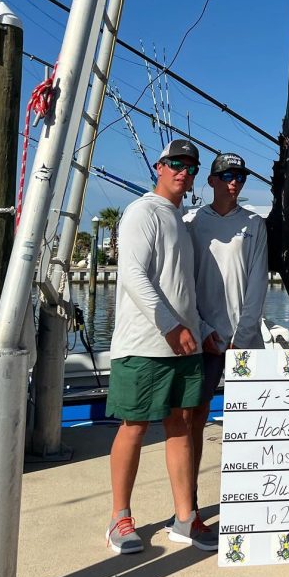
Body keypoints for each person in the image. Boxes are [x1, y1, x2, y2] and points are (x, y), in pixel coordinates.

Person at [104, 140, 219, 554]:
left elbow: (181, 289)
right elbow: (134, 276)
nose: (182, 172)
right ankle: (119, 518)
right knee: (133, 427)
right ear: (159, 166)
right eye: (175, 163)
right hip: (144, 345)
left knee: (181, 426)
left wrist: (199, 327)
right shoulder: (142, 212)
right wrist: (171, 327)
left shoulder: (180, 221)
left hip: (183, 346)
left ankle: (185, 517)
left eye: (190, 166)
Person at [184, 152, 268, 510]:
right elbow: (183, 284)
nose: (234, 182)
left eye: (240, 176)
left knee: (254, 423)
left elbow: (257, 284)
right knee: (193, 420)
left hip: (243, 341)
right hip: (203, 340)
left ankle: (250, 498)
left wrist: (242, 338)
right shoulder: (190, 222)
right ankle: (187, 500)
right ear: (212, 181)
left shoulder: (255, 224)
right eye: (227, 175)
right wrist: (203, 330)